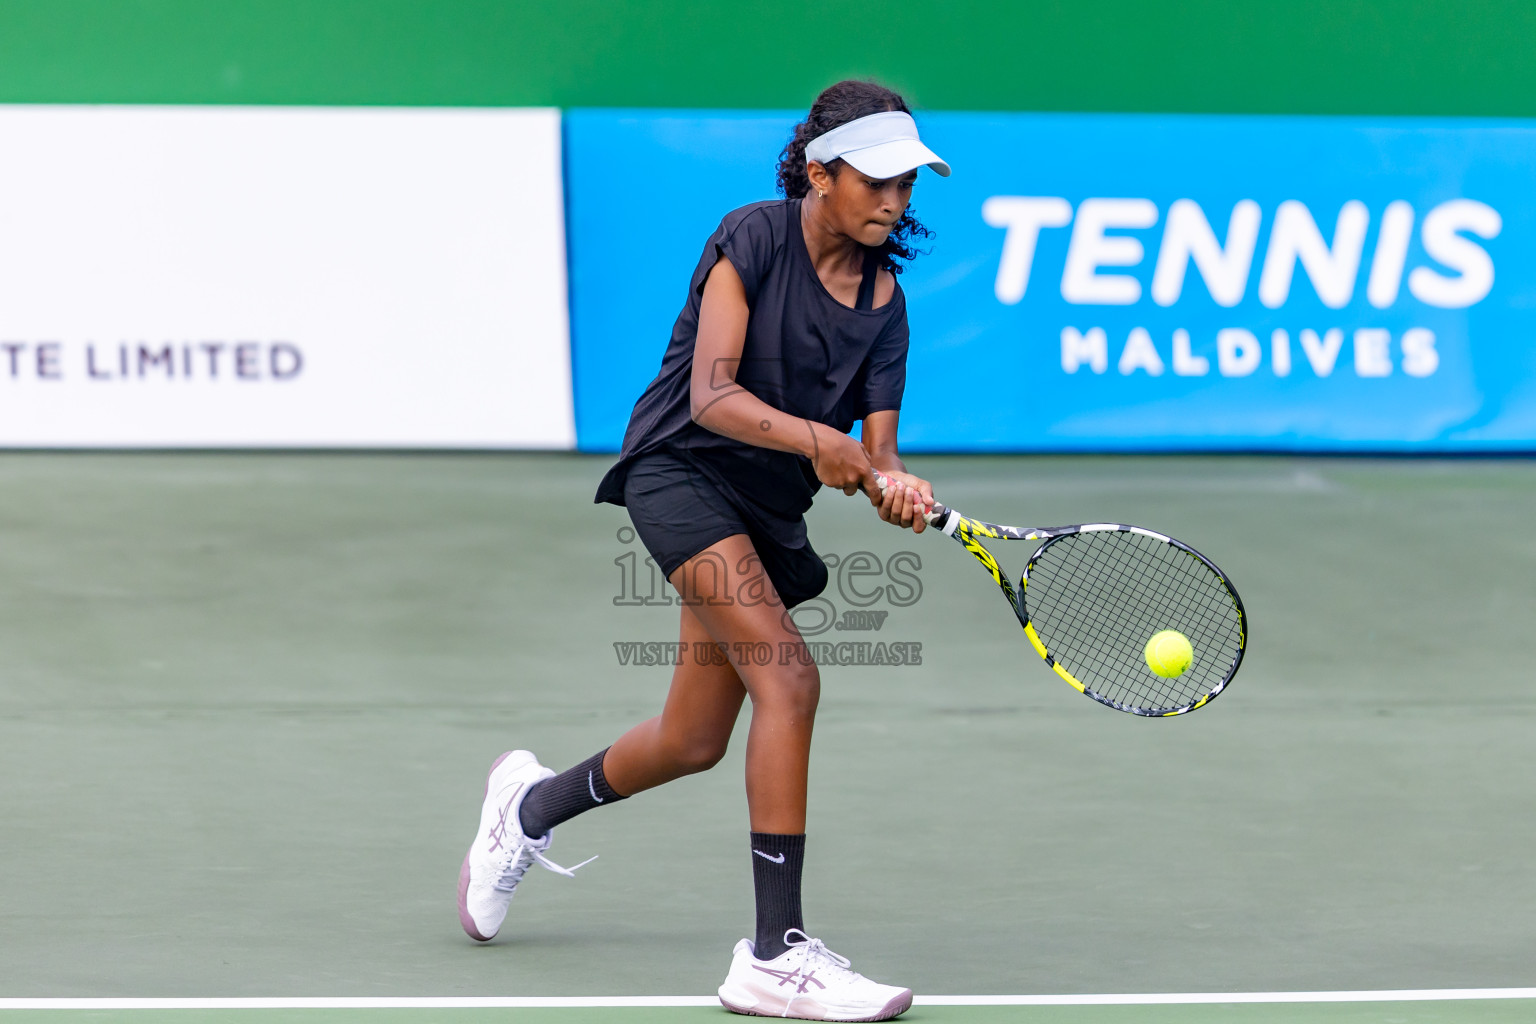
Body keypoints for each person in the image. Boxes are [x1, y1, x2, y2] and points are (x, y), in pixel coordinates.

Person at [458, 79, 948, 1023]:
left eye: (909, 184)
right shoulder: (752, 238)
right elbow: (714, 397)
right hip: (680, 473)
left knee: (691, 741)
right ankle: (773, 955)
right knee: (789, 681)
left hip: (764, 510)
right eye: (877, 179)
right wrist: (823, 443)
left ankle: (524, 811)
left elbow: (877, 456)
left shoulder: (886, 307)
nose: (894, 200)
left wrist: (893, 484)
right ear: (822, 172)